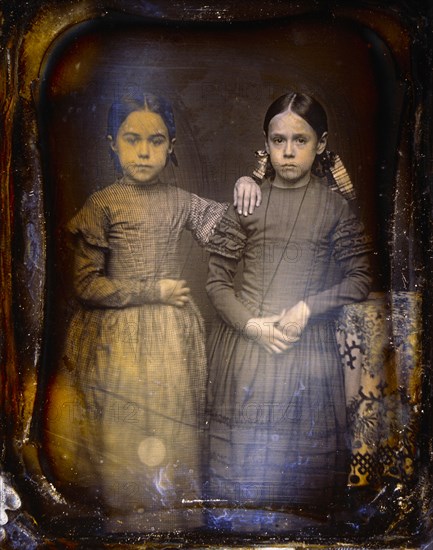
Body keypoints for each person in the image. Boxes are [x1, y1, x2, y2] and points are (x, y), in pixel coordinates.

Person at [42, 90, 260, 533]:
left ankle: (175, 532)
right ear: (111, 143)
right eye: (132, 139)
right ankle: (127, 533)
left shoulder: (181, 201)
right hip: (113, 339)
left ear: (172, 145)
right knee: (122, 445)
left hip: (171, 343)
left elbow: (231, 235)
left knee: (173, 438)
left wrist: (250, 180)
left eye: (156, 140)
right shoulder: (103, 204)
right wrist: (151, 290)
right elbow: (85, 285)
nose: (144, 151)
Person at [205, 91, 373, 533]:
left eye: (300, 140)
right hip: (246, 353)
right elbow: (216, 282)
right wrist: (253, 325)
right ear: (266, 144)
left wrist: (307, 306)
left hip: (307, 356)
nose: (289, 151)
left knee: (303, 497)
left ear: (320, 144)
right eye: (278, 140)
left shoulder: (335, 207)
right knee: (243, 488)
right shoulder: (249, 200)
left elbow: (360, 278)